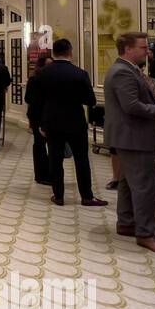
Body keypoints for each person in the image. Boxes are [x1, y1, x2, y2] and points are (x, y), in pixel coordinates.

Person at [104, 31, 155, 255]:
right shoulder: (123, 72)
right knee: (144, 187)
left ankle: (126, 223)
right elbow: (131, 105)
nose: (148, 51)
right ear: (128, 49)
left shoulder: (127, 69)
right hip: (133, 137)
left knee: (127, 182)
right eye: (143, 48)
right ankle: (145, 234)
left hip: (129, 136)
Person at [38, 40, 108, 208]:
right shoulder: (80, 73)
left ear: (53, 52)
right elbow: (90, 100)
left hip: (52, 122)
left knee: (55, 159)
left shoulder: (43, 73)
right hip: (75, 122)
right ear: (70, 51)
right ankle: (86, 196)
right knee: (81, 159)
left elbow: (38, 101)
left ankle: (58, 196)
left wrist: (41, 124)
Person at [25, 55, 51, 185]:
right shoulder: (34, 80)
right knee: (40, 145)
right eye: (48, 65)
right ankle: (41, 174)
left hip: (50, 117)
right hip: (38, 117)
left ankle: (48, 172)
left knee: (49, 146)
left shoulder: (52, 80)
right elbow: (28, 99)